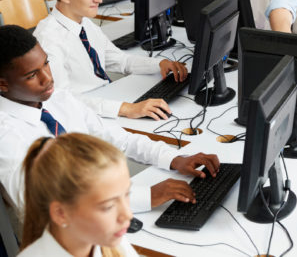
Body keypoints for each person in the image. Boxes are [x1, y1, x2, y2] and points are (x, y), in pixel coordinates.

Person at [0, 25, 219, 215]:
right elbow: (49, 204)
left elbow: (117, 138)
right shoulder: (7, 136)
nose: (48, 78)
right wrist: (145, 196)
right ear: (2, 84)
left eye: (46, 64)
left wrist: (174, 159)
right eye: (31, 75)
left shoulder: (58, 99)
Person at [33, 0, 188, 120]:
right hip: (83, 115)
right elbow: (61, 99)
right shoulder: (48, 39)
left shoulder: (84, 23)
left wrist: (160, 64)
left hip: (104, 100)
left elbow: (120, 60)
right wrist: (125, 108)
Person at [18, 133, 139, 256]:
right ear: (61, 213)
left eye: (127, 194)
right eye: (108, 206)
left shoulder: (114, 242)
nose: (128, 215)